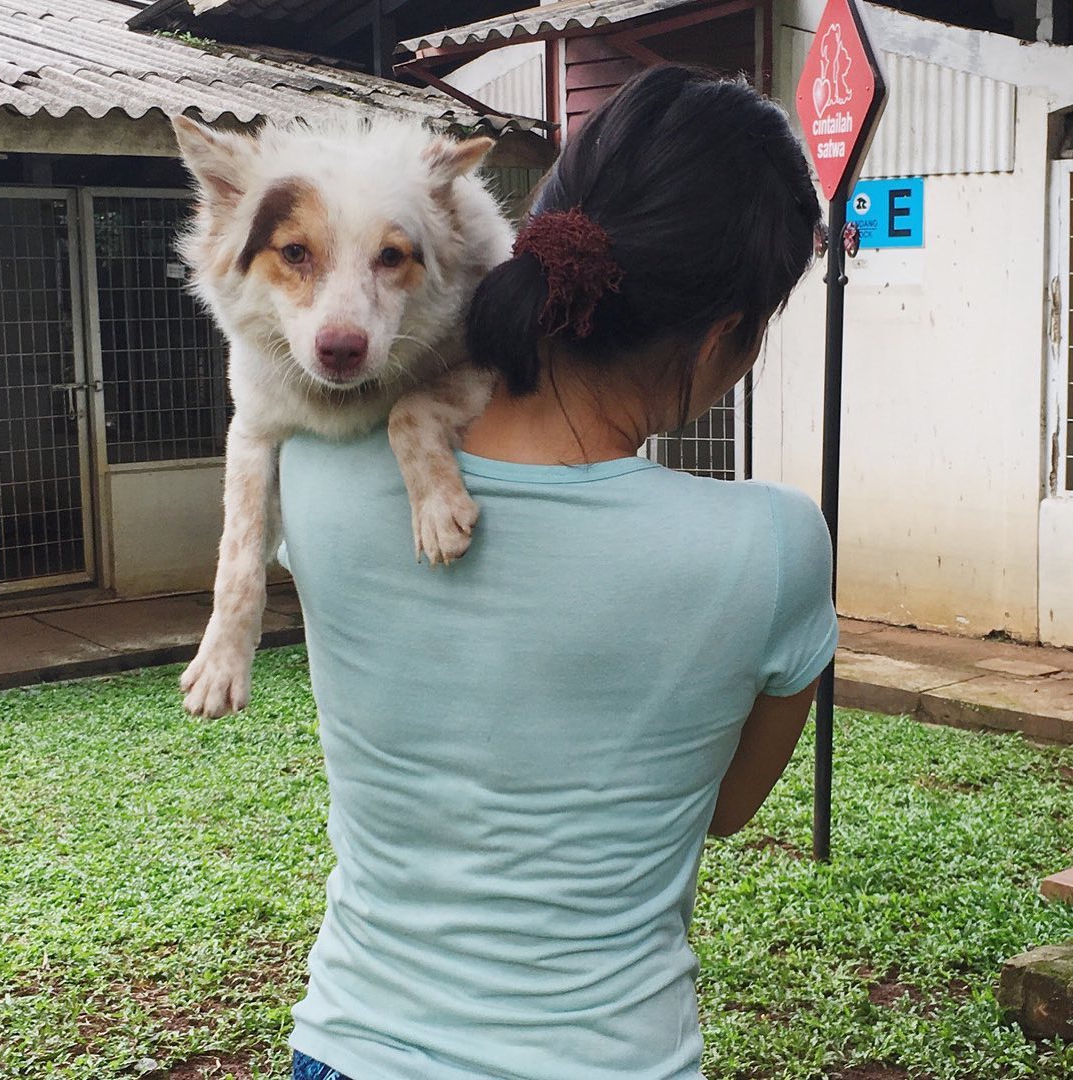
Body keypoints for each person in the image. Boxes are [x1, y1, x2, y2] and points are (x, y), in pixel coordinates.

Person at [279, 65, 836, 1080]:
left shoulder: (312, 476)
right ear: (724, 334)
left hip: (349, 1049)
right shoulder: (775, 547)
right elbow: (722, 806)